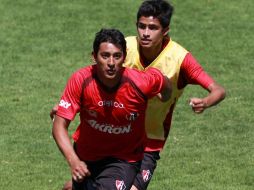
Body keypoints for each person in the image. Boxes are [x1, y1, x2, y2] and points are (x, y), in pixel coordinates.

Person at [54, 0, 226, 189]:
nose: (145, 33)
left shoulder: (179, 59)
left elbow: (216, 89)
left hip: (148, 140)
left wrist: (197, 100)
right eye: (141, 26)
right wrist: (68, 106)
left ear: (165, 30)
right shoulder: (122, 46)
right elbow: (92, 76)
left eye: (152, 28)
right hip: (106, 138)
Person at [52, 28, 172, 190]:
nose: (111, 63)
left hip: (123, 159)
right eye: (105, 56)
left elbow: (164, 83)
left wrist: (163, 98)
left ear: (124, 57)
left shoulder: (140, 83)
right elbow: (59, 125)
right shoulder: (81, 80)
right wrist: (73, 161)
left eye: (117, 56)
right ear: (94, 56)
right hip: (86, 156)